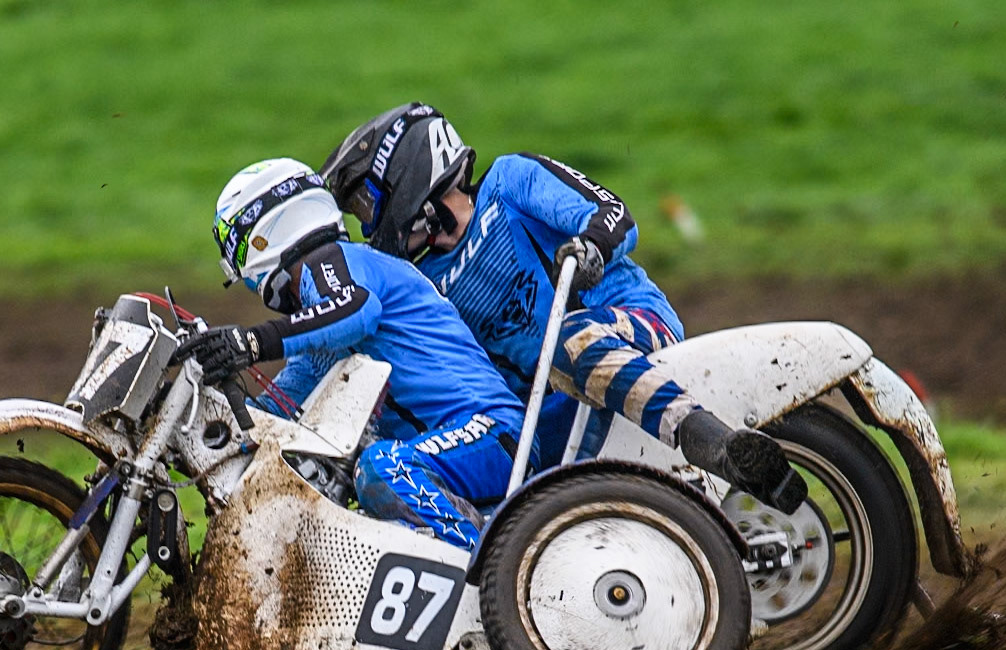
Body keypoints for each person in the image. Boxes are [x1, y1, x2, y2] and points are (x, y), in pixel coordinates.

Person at [321, 103, 806, 515]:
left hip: (634, 325)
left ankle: (718, 446)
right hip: (549, 409)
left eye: (366, 205)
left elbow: (613, 214)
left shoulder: (510, 182)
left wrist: (591, 246)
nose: (367, 227)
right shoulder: (423, 282)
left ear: (403, 175)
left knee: (568, 343)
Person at [173, 157, 529, 549]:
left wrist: (251, 342)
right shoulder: (322, 328)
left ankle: (478, 570)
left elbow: (357, 311)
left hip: (492, 431)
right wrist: (188, 425)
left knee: (381, 466)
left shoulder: (336, 260)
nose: (239, 271)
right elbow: (271, 417)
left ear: (263, 233)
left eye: (236, 250)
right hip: (459, 451)